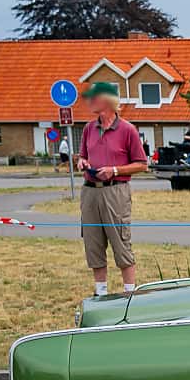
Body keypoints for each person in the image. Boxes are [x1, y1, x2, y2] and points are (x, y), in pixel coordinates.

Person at [74, 80, 148, 296]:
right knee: (93, 241)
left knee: (120, 240)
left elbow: (142, 164)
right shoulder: (89, 128)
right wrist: (82, 162)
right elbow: (83, 155)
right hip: (90, 191)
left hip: (115, 190)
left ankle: (129, 294)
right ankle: (101, 293)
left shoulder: (127, 130)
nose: (89, 102)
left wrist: (115, 170)